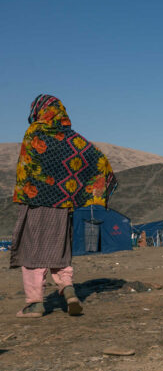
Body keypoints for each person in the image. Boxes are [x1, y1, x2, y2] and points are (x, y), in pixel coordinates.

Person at [11, 94, 118, 318]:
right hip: (62, 205)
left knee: (32, 251)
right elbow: (95, 157)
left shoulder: (35, 132)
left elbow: (27, 166)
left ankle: (35, 304)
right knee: (59, 249)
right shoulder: (71, 138)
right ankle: (68, 291)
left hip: (36, 202)